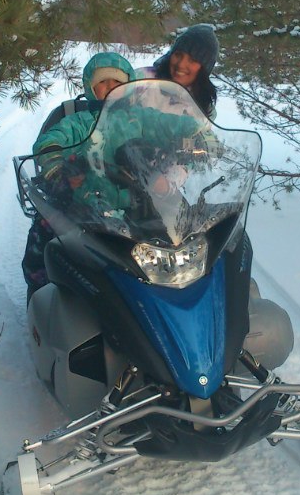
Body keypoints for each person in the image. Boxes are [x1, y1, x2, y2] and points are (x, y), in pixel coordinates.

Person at [21, 52, 136, 296]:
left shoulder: (137, 120)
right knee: (47, 227)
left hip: (132, 199)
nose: (110, 88)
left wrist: (196, 136)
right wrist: (55, 164)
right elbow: (51, 140)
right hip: (82, 199)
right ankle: (39, 284)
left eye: (117, 83)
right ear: (91, 87)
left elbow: (169, 126)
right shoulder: (79, 122)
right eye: (103, 82)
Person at [138, 23, 219, 118]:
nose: (181, 64)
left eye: (192, 60)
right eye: (178, 55)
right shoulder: (144, 80)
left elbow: (203, 131)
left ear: (205, 67)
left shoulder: (204, 106)